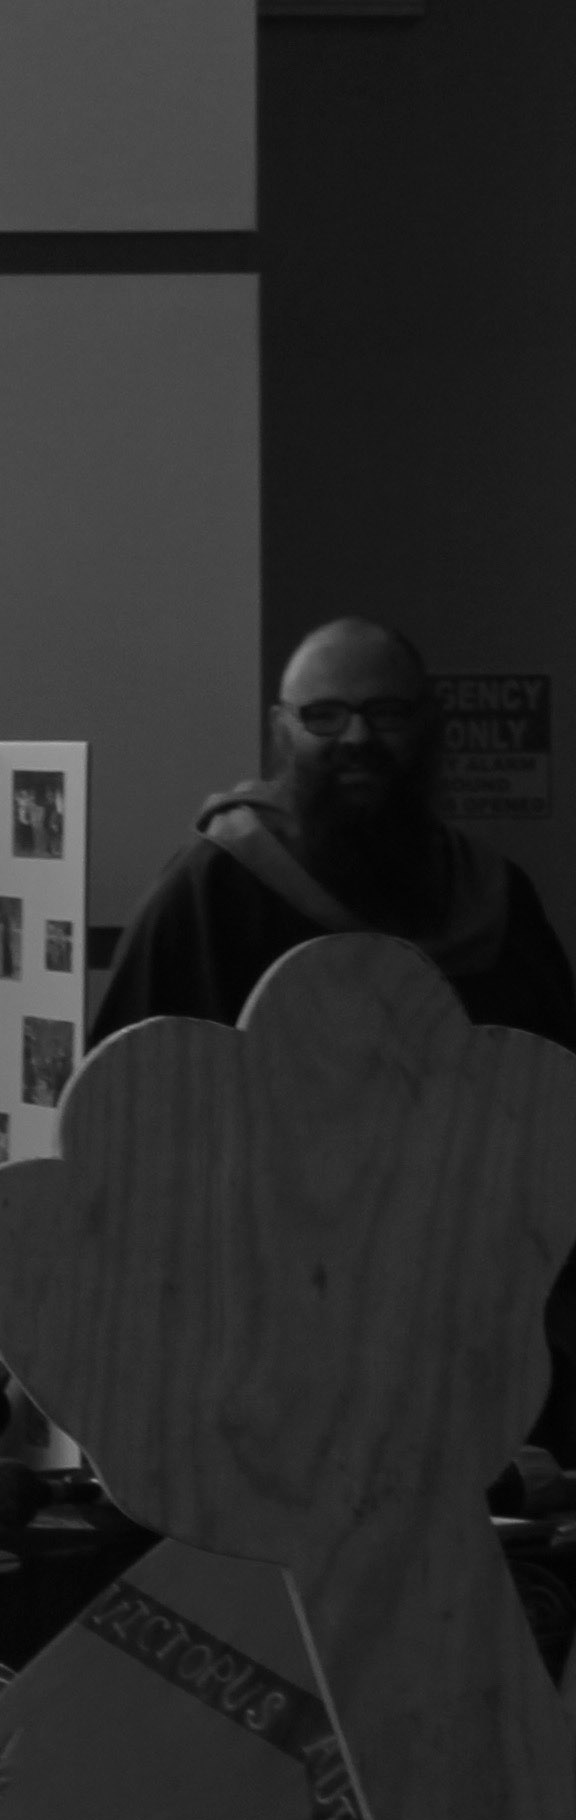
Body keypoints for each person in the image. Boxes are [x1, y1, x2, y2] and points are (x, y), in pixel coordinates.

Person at [95, 614, 576, 1447]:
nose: (356, 738)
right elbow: (130, 1121)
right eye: (324, 716)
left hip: (471, 1322)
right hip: (272, 1336)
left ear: (428, 724)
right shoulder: (213, 894)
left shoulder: (494, 900)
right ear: (282, 730)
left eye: (386, 713)